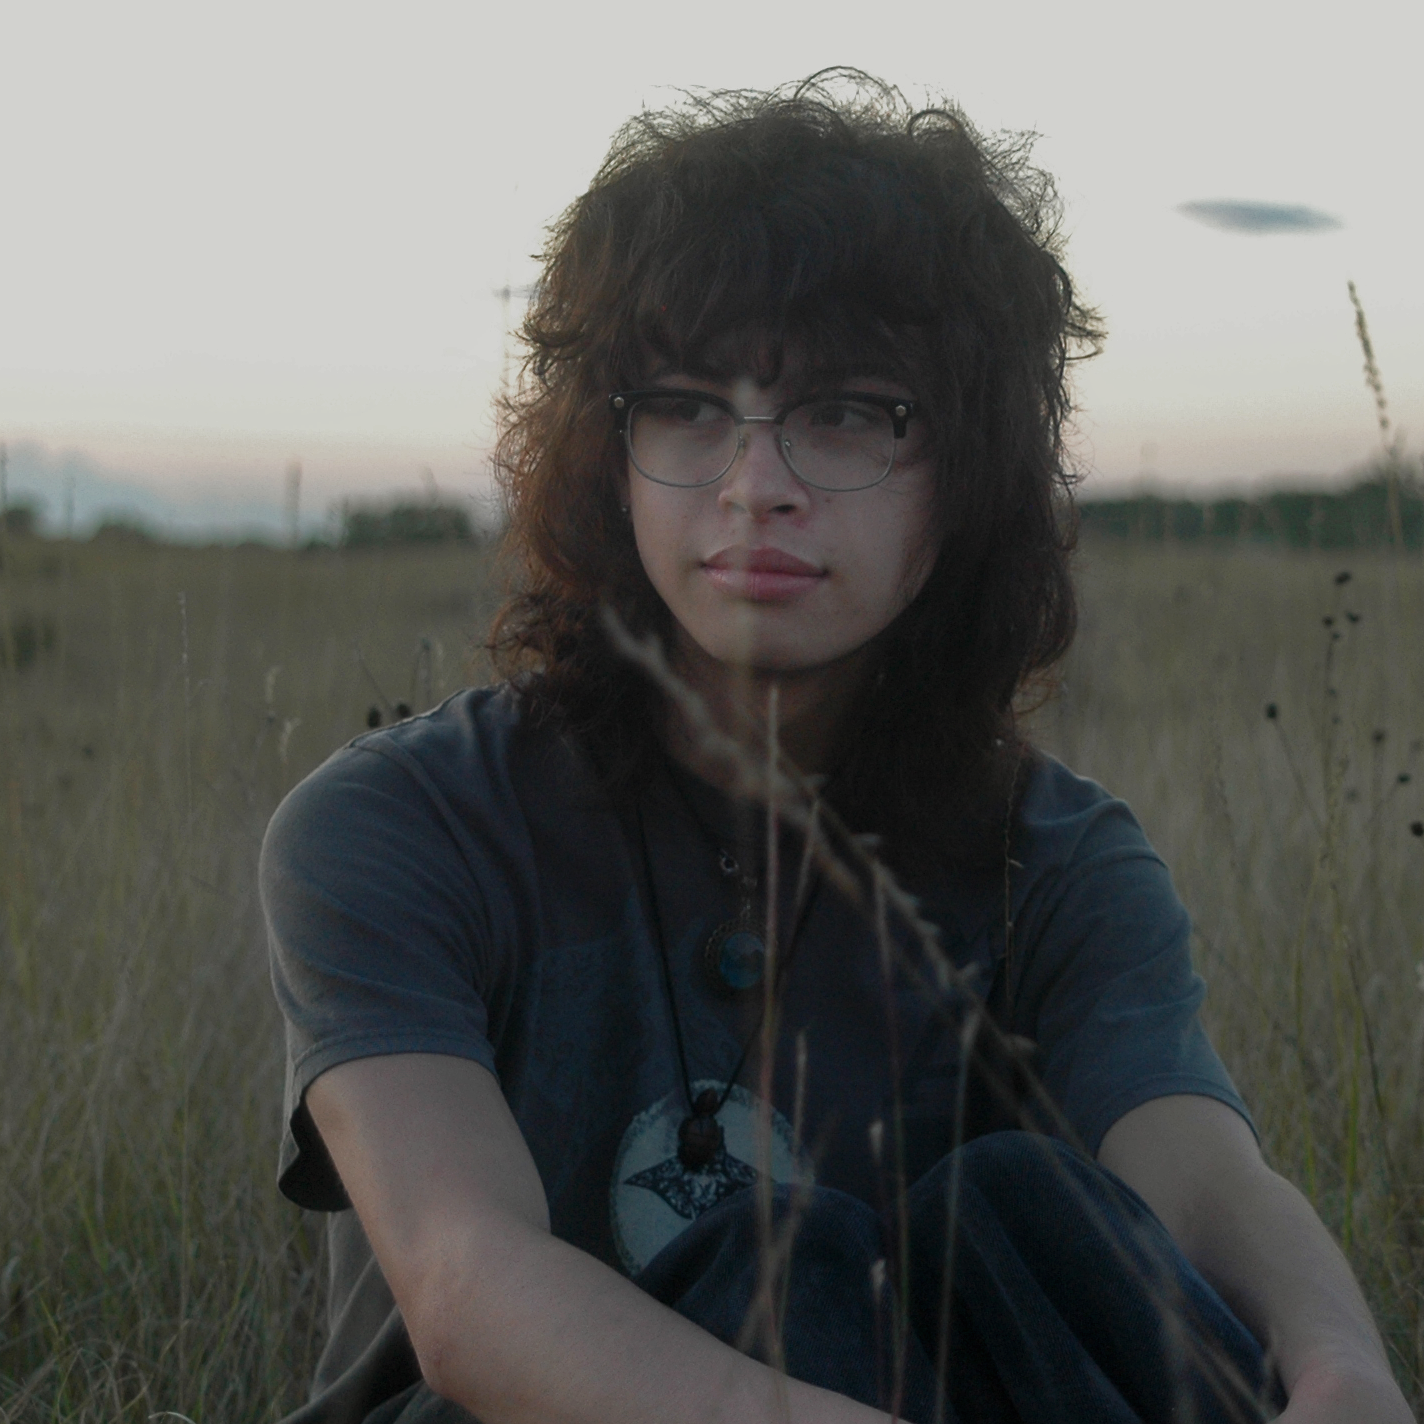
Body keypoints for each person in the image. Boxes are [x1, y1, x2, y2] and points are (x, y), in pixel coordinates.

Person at [260, 73, 1414, 1424]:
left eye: (850, 413)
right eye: (689, 405)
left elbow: (1197, 1177)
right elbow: (467, 1285)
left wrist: (1343, 1362)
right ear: (607, 452)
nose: (758, 481)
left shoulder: (1053, 862)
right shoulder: (400, 827)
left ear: (970, 472)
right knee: (783, 1259)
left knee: (1025, 1208)